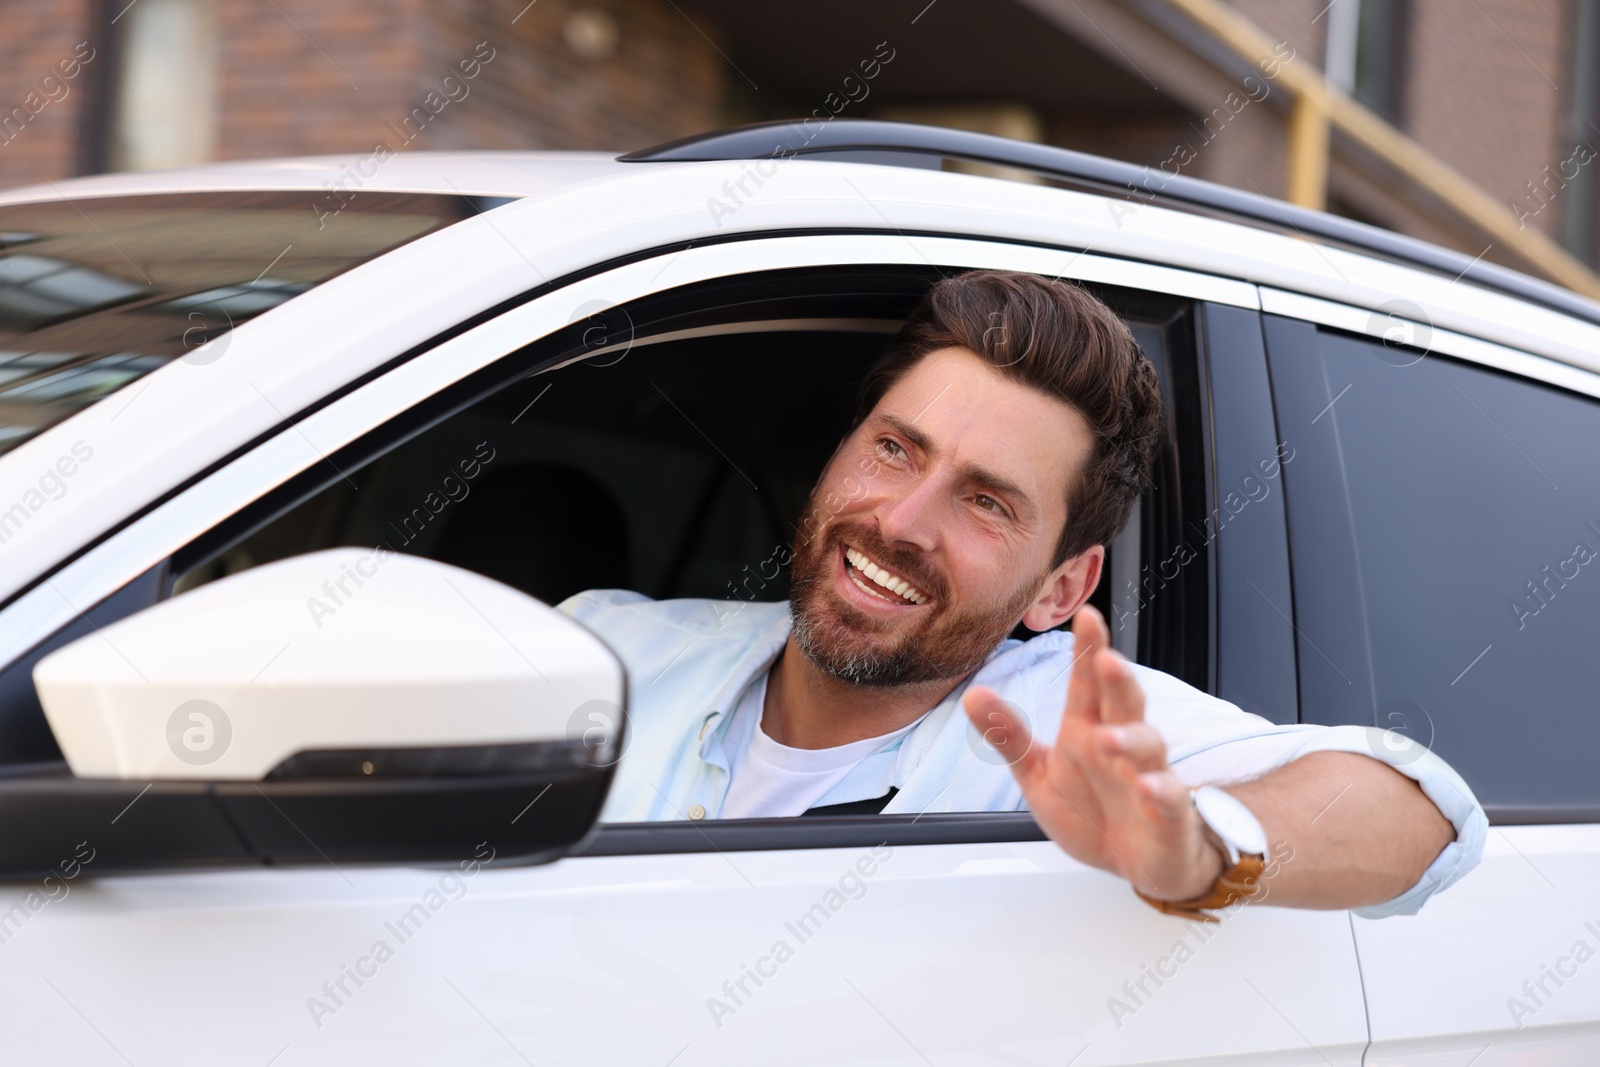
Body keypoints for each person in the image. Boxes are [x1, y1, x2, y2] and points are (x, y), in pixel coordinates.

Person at [559, 269, 1485, 920]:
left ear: (1059, 589)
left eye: (987, 501)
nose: (903, 522)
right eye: (895, 449)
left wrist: (1198, 854)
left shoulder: (1049, 721)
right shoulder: (607, 648)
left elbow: (1423, 813)